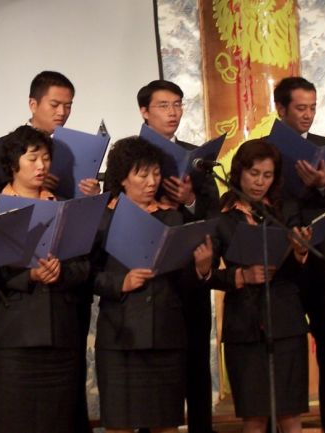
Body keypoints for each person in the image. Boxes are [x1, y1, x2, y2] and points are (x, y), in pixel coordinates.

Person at [93, 137, 213, 433]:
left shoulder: (173, 218)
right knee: (119, 424)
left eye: (156, 174)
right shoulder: (103, 218)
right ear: (123, 178)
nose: (152, 182)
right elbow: (86, 274)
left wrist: (201, 268)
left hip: (166, 335)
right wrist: (120, 282)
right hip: (120, 336)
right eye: (143, 174)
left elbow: (183, 279)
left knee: (165, 424)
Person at [0, 125, 90, 433]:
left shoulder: (65, 206)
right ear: (13, 163)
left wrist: (61, 273)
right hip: (15, 333)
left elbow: (84, 266)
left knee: (59, 420)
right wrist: (30, 276)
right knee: (15, 419)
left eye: (46, 158)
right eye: (32, 158)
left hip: (61, 332)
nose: (41, 165)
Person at [206, 139, 311, 433]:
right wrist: (240, 276)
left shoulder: (285, 210)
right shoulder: (221, 216)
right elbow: (207, 274)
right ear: (239, 171)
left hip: (286, 323)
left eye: (267, 175)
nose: (260, 182)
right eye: (254, 173)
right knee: (254, 417)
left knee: (290, 415)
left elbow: (300, 273)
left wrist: (300, 252)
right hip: (245, 326)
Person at [273, 77, 325, 433]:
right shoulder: (264, 151)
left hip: (324, 263)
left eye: (312, 108)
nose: (308, 115)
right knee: (282, 353)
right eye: (300, 108)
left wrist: (321, 185)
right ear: (281, 108)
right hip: (283, 265)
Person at [137, 79, 216, 433]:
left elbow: (214, 212)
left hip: (191, 272)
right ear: (144, 112)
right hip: (148, 277)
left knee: (197, 363)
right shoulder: (130, 155)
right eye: (164, 105)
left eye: (178, 104)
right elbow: (117, 210)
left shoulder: (197, 157)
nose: (173, 112)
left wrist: (189, 200)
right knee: (148, 370)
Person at [0, 71, 100, 200]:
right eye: (54, 105)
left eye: (67, 106)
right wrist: (30, 185)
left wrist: (92, 195)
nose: (62, 112)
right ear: (33, 105)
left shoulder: (69, 150)